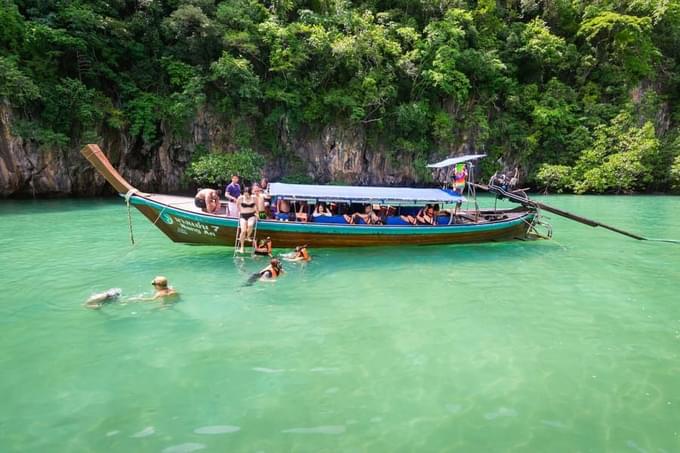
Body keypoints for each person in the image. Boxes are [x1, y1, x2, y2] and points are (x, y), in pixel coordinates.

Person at [236, 186, 258, 253]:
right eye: (245, 194)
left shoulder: (254, 198)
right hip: (243, 215)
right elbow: (237, 205)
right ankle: (242, 247)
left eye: (247, 194)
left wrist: (258, 214)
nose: (246, 195)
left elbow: (257, 206)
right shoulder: (240, 198)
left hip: (251, 214)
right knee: (243, 231)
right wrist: (239, 212)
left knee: (250, 225)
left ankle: (248, 236)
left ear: (250, 193)